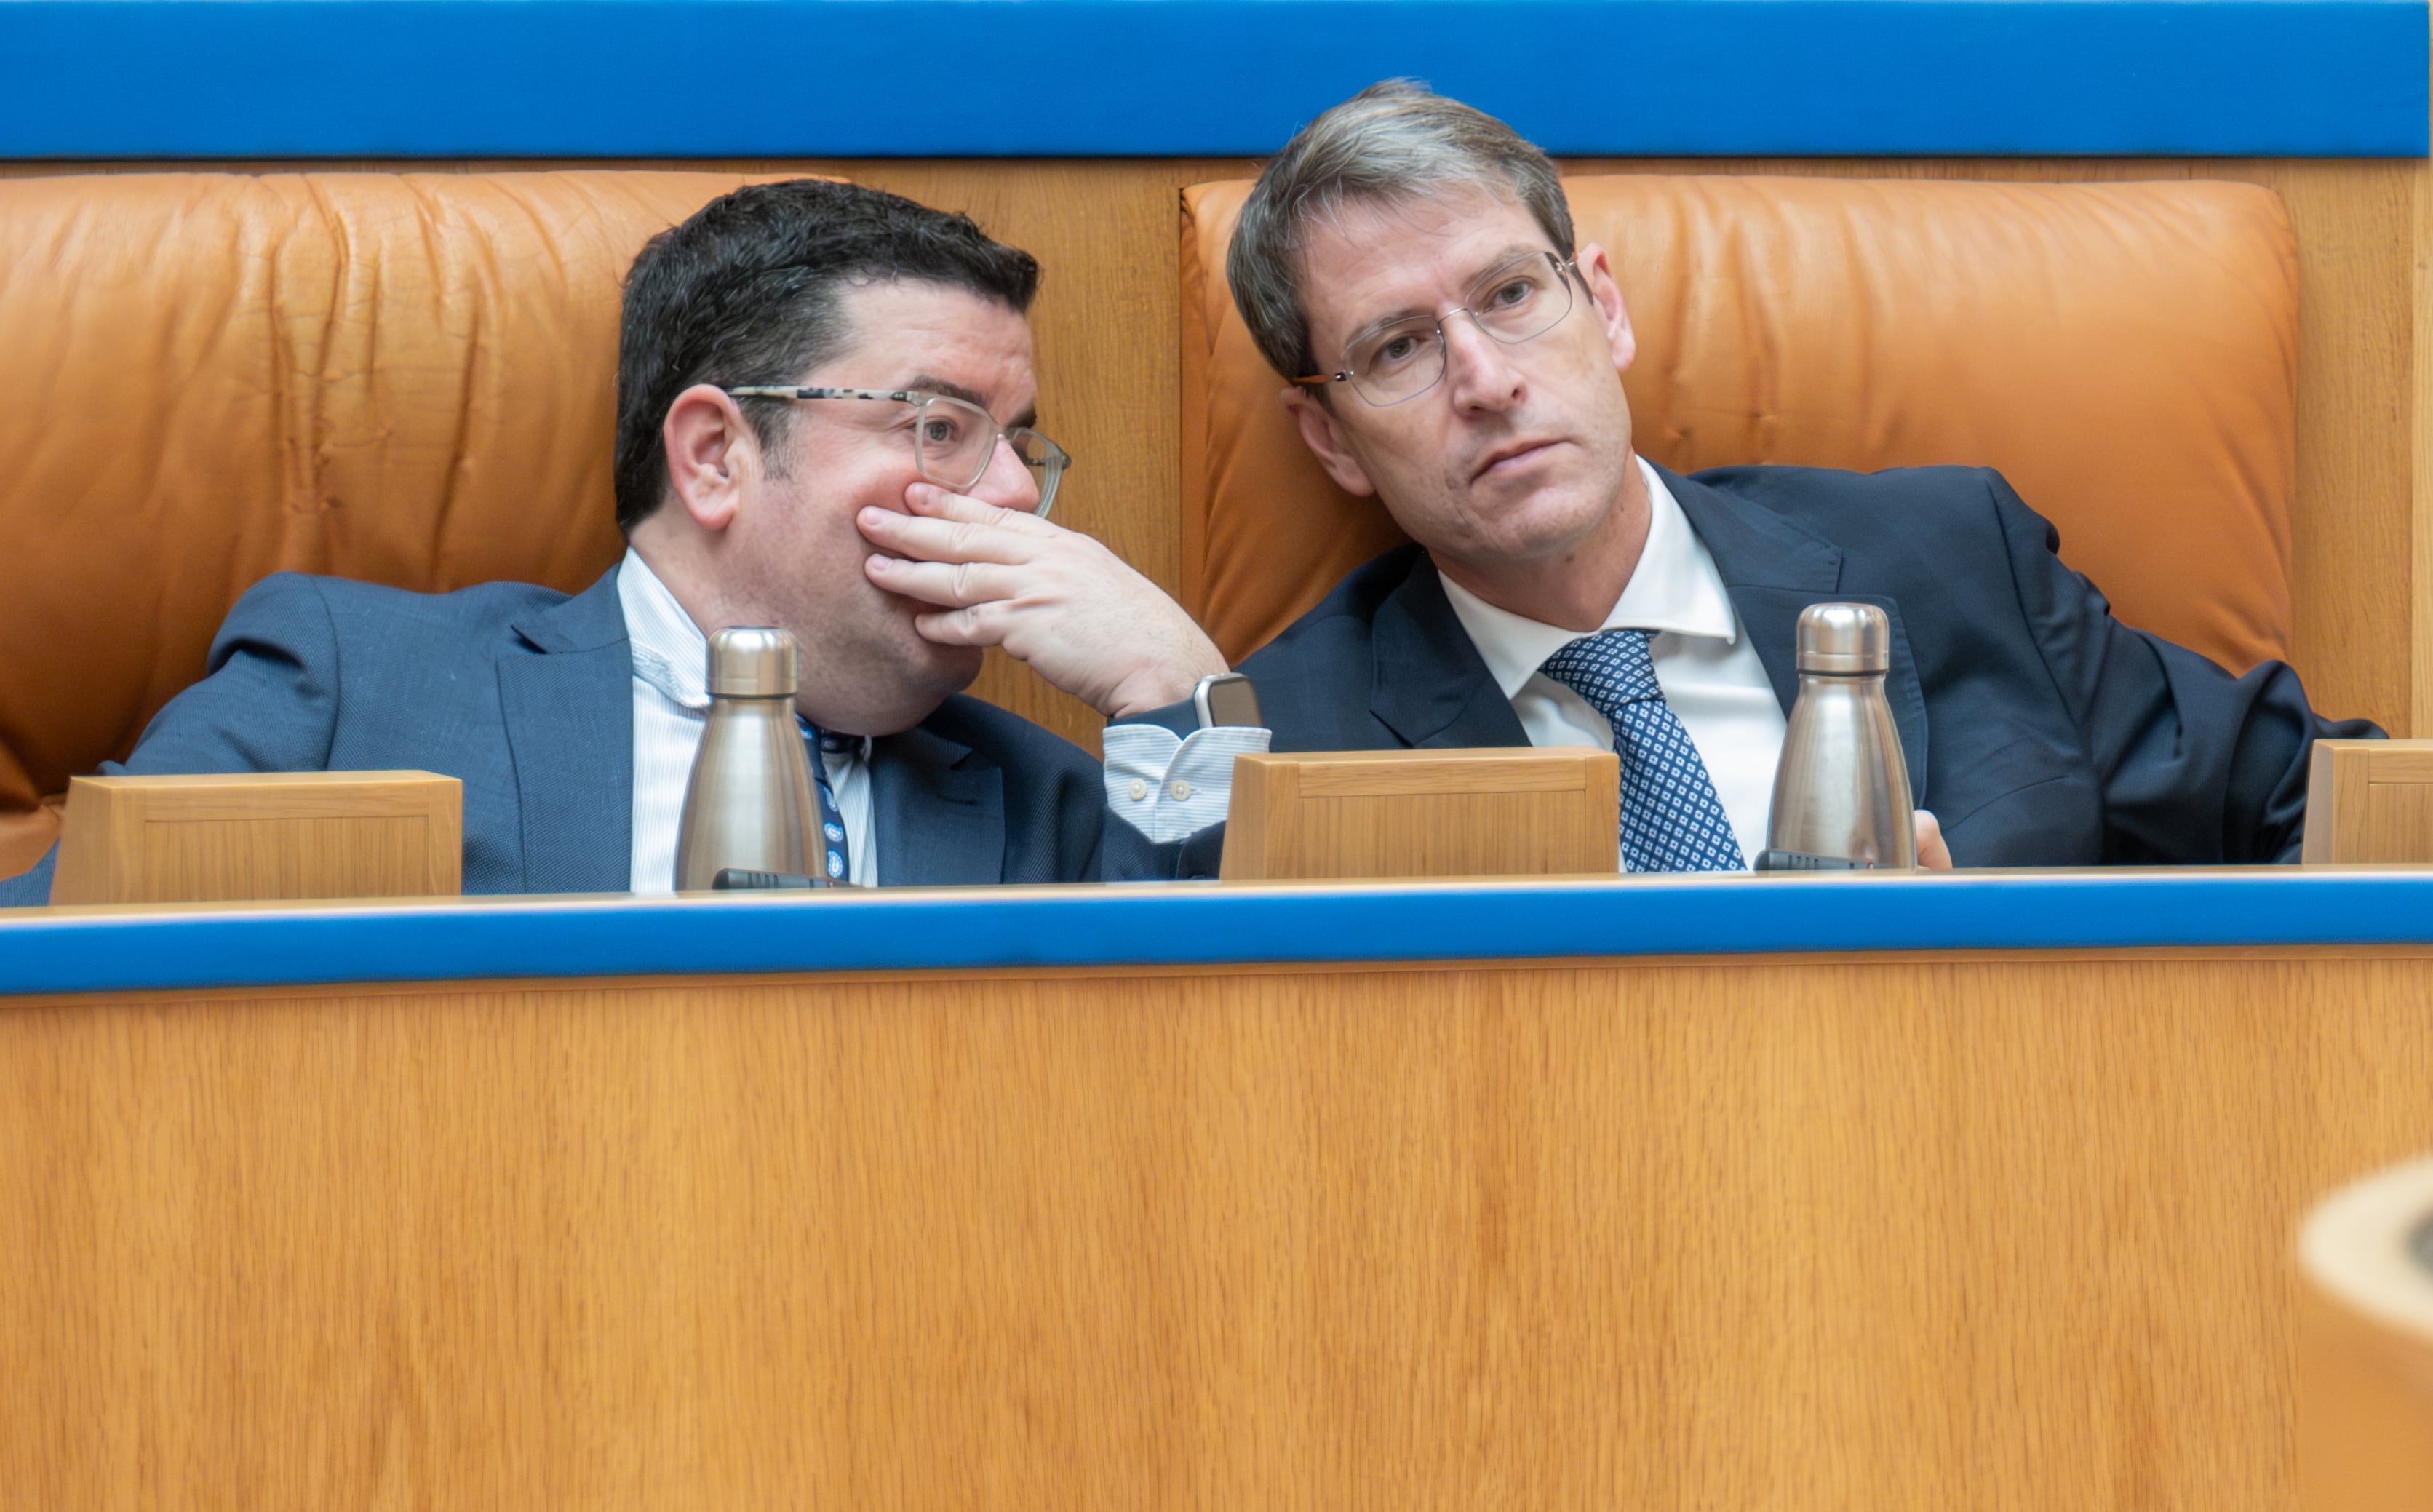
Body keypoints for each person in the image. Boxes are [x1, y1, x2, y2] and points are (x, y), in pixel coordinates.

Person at [1092, 81, 2378, 868]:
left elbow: (2323, 818)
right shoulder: (1296, 744)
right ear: (1330, 438)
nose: (1484, 379)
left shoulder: (1955, 556)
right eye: (1396, 348)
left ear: (1604, 308)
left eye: (1511, 294)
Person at [0, 179, 1246, 904]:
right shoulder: (353, 688)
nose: (1015, 495)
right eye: (940, 427)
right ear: (713, 455)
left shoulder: (1051, 803)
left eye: (1018, 442)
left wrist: (1177, 693)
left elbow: (1215, 1087)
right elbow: (58, 1012)